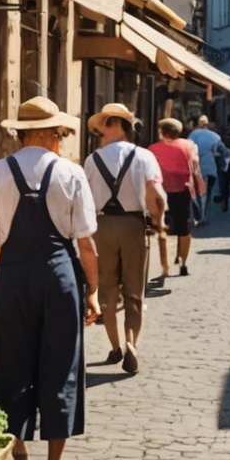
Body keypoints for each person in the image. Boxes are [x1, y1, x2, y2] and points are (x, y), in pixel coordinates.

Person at [0, 96, 98, 460]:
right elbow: (86, 244)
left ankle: (19, 455)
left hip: (13, 276)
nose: (61, 139)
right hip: (59, 275)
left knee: (11, 363)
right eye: (59, 133)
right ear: (45, 134)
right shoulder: (70, 173)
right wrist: (92, 291)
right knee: (61, 366)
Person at [83, 103, 166, 374]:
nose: (100, 134)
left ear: (116, 125)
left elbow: (85, 200)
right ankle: (132, 342)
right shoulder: (144, 157)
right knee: (134, 291)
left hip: (102, 226)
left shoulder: (92, 160)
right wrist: (159, 220)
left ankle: (115, 346)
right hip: (133, 225)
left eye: (103, 126)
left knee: (107, 290)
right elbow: (157, 196)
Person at [150, 118, 204, 277]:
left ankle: (165, 265)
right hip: (183, 190)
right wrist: (199, 187)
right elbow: (195, 167)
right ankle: (183, 262)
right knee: (183, 227)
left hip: (160, 192)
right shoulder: (188, 146)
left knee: (162, 227)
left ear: (161, 132)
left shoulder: (152, 149)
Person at [187, 116, 223, 226]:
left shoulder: (193, 135)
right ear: (208, 124)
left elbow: (188, 150)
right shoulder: (215, 136)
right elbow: (220, 152)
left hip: (195, 167)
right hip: (210, 167)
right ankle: (203, 216)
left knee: (194, 193)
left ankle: (194, 217)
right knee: (207, 193)